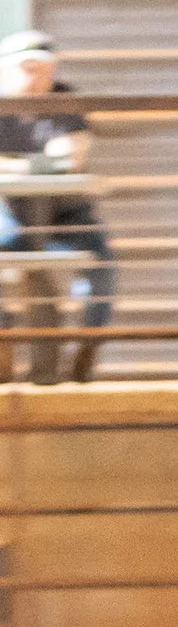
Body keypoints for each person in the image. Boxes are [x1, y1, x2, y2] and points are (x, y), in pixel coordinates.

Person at [0, 30, 115, 379]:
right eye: (28, 68)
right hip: (7, 211)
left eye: (46, 69)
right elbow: (55, 160)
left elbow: (70, 159)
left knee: (102, 265)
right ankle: (9, 358)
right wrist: (41, 163)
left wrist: (12, 162)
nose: (39, 78)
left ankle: (86, 348)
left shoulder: (63, 101)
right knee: (28, 268)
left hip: (66, 212)